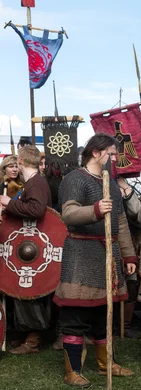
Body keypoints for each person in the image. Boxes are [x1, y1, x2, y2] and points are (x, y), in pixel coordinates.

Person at [55, 134, 137, 387]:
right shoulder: (74, 179)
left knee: (105, 314)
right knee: (75, 315)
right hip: (80, 254)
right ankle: (73, 370)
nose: (114, 159)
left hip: (107, 256)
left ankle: (106, 364)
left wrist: (128, 254)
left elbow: (121, 222)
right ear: (96, 152)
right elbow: (68, 213)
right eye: (111, 154)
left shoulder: (110, 183)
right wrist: (95, 210)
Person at [0, 146, 52, 355]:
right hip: (28, 245)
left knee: (32, 292)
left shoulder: (36, 183)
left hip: (36, 247)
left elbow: (37, 210)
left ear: (21, 161)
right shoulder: (31, 183)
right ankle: (26, 335)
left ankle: (33, 340)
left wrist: (8, 202)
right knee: (23, 291)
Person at [116, 177, 141, 338]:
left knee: (131, 283)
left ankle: (125, 325)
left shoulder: (129, 190)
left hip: (132, 242)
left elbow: (137, 215)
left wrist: (127, 190)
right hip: (110, 241)